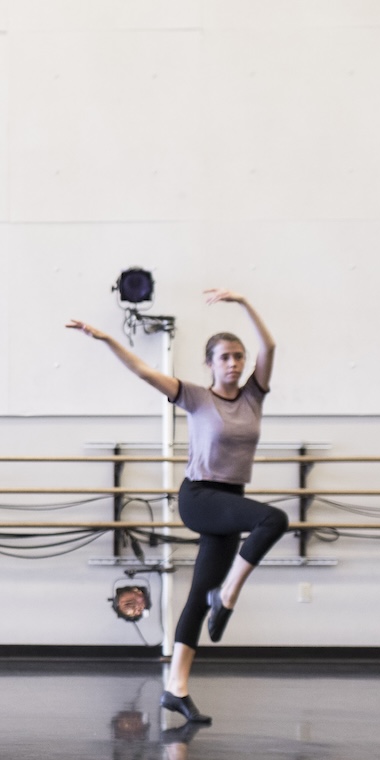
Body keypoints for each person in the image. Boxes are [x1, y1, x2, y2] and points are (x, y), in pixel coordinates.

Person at [67, 290, 282, 727]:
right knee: (273, 519)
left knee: (196, 603)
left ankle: (176, 689)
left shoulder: (253, 396)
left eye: (239, 356)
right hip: (200, 499)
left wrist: (243, 302)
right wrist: (107, 339)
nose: (235, 364)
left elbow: (271, 347)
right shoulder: (197, 397)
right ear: (210, 365)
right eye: (225, 358)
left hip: (230, 501)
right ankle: (227, 595)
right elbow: (144, 371)